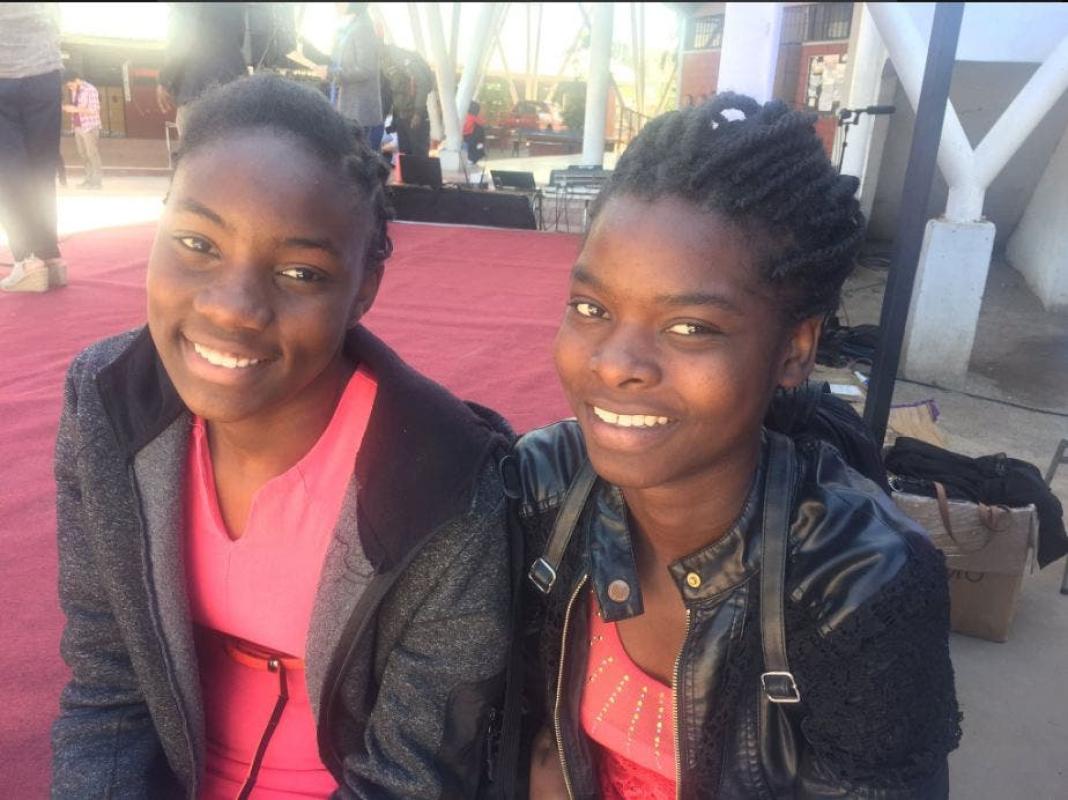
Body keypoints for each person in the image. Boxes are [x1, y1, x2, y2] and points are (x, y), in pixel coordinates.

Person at [51, 75, 515, 799]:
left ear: (362, 289)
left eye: (300, 272)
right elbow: (109, 686)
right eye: (197, 243)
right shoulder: (107, 403)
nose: (234, 308)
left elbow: (412, 774)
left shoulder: (449, 485)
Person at [514, 94, 962, 798]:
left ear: (795, 349)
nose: (615, 363)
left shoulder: (858, 584)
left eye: (690, 327)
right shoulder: (546, 486)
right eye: (592, 309)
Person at [0, 2, 67, 293]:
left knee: (9, 170)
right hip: (44, 69)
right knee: (42, 167)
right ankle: (49, 256)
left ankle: (27, 259)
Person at [157, 2, 246, 135]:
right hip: (233, 83)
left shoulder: (184, 6)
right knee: (230, 141)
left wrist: (165, 81)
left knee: (193, 143)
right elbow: (240, 38)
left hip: (196, 87)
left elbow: (179, 42)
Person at [319, 3, 384, 151]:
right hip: (352, 111)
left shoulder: (363, 28)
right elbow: (339, 61)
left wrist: (331, 73)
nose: (336, 5)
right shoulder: (353, 26)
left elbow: (366, 69)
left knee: (360, 159)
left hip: (360, 113)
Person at [380, 43, 434, 158]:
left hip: (414, 115)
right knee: (405, 156)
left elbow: (423, 83)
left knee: (420, 156)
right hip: (401, 117)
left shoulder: (400, 58)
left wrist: (418, 113)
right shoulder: (383, 63)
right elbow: (389, 92)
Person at [61, 69, 103, 190]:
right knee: (83, 155)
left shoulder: (90, 90)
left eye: (70, 85)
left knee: (92, 154)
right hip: (78, 126)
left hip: (89, 126)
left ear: (77, 80)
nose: (70, 88)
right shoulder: (76, 90)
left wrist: (74, 109)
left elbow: (94, 110)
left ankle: (96, 182)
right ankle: (88, 180)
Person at [463, 100, 487, 166]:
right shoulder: (474, 118)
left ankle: (473, 156)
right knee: (480, 131)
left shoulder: (464, 116)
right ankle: (473, 157)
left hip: (466, 137)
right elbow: (482, 123)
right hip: (471, 138)